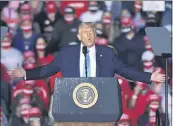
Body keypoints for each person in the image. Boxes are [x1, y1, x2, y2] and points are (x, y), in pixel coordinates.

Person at [9, 22, 165, 85]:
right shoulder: (67, 53)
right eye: (85, 33)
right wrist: (26, 74)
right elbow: (47, 70)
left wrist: (149, 76)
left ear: (96, 36)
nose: (89, 36)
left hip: (100, 103)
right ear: (78, 37)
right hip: (73, 103)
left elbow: (125, 71)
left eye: (91, 33)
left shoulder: (107, 53)